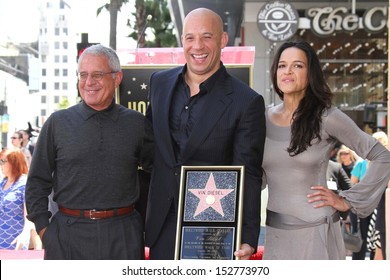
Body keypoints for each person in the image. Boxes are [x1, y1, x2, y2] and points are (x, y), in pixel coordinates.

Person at [144, 8, 266, 260]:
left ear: (222, 40)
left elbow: (249, 174)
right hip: (161, 226)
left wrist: (247, 237)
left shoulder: (246, 102)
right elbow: (148, 152)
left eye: (206, 36)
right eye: (190, 37)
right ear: (182, 40)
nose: (197, 46)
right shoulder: (159, 84)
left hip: (213, 230)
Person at [261, 41, 390, 259]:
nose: (288, 71)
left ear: (310, 73)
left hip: (316, 232)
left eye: (298, 65)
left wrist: (346, 200)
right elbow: (258, 177)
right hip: (274, 233)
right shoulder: (262, 118)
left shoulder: (327, 117)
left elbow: (382, 156)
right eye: (282, 65)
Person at [25, 44, 154, 260]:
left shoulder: (137, 124)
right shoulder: (57, 124)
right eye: (83, 75)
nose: (88, 82)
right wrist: (44, 231)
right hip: (67, 236)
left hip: (123, 236)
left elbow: (159, 176)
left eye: (97, 75)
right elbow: (37, 181)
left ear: (117, 78)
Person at [0, 148, 36, 250]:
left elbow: (29, 216)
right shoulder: (2, 183)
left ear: (14, 163)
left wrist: (24, 234)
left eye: (3, 161)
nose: (0, 164)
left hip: (15, 241)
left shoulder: (24, 184)